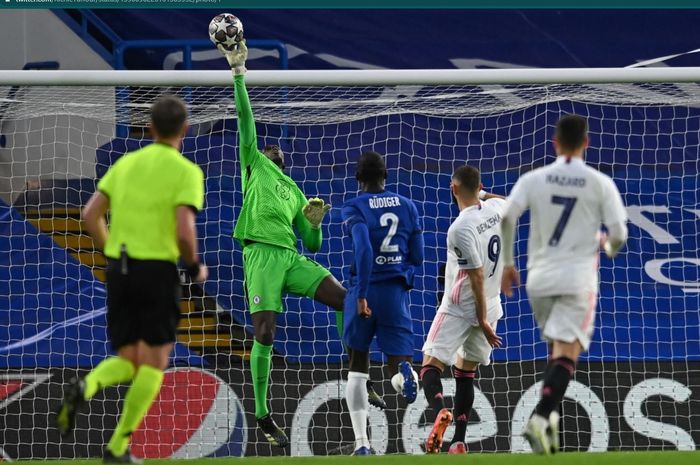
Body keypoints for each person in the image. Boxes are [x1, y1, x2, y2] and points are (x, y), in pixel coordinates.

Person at [217, 41, 354, 447]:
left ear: (285, 162)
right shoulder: (254, 163)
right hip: (260, 254)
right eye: (265, 146)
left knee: (345, 298)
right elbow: (245, 119)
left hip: (291, 257)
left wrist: (314, 220)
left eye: (275, 150)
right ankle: (261, 413)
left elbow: (312, 244)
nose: (269, 147)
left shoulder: (295, 191)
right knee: (265, 332)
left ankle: (354, 372)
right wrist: (239, 74)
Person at [56, 95, 207, 463]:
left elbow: (90, 215)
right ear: (184, 130)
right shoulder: (186, 171)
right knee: (154, 364)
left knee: (130, 359)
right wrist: (194, 266)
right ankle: (118, 446)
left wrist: (111, 253)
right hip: (157, 270)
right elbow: (185, 231)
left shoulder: (126, 164)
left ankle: (87, 384)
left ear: (150, 127)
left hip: (120, 271)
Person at [500, 114, 628, 454]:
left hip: (538, 280)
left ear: (554, 143)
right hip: (577, 279)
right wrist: (607, 246)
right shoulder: (599, 182)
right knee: (568, 354)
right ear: (586, 143)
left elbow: (508, 216)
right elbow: (619, 234)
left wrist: (508, 264)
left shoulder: (534, 178)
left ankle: (551, 427)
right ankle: (541, 418)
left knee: (555, 352)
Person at [341, 151, 424, 455]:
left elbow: (362, 248)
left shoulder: (353, 207)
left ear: (358, 179)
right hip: (394, 292)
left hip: (365, 290)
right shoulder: (408, 206)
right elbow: (417, 256)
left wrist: (362, 293)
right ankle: (405, 377)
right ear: (385, 176)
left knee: (357, 367)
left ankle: (362, 444)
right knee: (400, 363)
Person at [420, 165, 507, 455]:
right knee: (465, 372)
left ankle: (440, 410)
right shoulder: (495, 208)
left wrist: (480, 319)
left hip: (461, 307)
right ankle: (458, 441)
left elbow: (476, 275)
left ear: (453, 189)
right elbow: (507, 201)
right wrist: (483, 193)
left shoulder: (459, 228)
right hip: (492, 304)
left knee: (430, 366)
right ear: (479, 186)